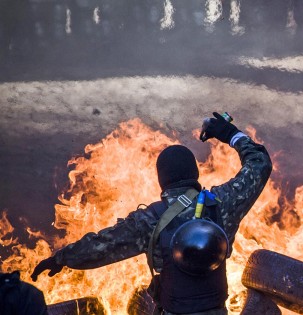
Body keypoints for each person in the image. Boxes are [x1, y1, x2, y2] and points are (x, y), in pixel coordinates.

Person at [31, 112, 272, 315]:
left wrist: (61, 258)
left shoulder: (149, 221)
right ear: (194, 175)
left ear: (162, 180)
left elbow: (102, 247)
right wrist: (230, 134)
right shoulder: (222, 204)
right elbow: (259, 164)